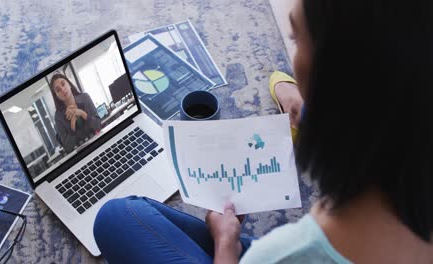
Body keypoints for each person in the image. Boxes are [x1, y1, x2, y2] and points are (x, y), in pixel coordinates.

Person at [93, 0, 433, 263]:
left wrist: (226, 246)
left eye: (296, 39)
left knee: (114, 218)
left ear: (333, 76)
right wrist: (298, 99)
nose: (293, 55)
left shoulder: (283, 253)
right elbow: (278, 80)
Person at [49, 73, 101, 153]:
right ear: (56, 96)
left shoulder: (85, 98)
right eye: (58, 90)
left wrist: (83, 114)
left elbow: (98, 125)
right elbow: (68, 148)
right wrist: (72, 124)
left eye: (63, 84)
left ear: (69, 84)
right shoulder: (58, 116)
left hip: (98, 144)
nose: (62, 89)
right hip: (80, 154)